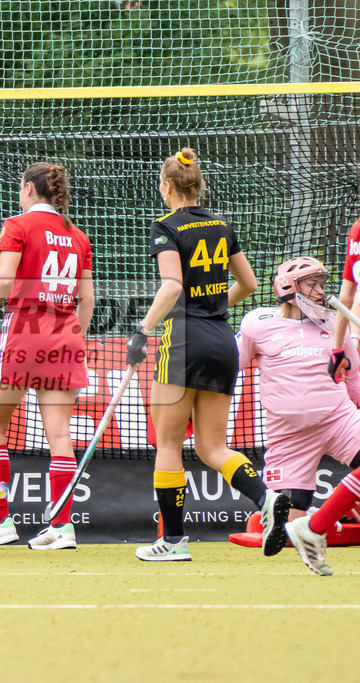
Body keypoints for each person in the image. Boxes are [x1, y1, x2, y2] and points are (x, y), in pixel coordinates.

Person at [126, 147, 284, 562]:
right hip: (221, 340)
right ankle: (266, 497)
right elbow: (249, 283)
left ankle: (174, 541)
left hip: (183, 341)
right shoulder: (222, 225)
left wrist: (143, 330)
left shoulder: (166, 226)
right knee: (213, 447)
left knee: (169, 442)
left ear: (167, 186)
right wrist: (213, 307)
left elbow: (172, 286)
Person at [0, 163, 95, 551]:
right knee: (60, 436)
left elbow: (4, 280)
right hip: (65, 337)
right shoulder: (78, 236)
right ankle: (62, 528)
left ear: (29, 189)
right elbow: (87, 299)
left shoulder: (17, 225)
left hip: (23, 332)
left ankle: (0, 521)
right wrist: (74, 338)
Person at [236, 258, 360, 554]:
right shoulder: (257, 323)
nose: (320, 292)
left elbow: (353, 376)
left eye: (322, 284)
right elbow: (229, 366)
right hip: (288, 436)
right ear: (287, 287)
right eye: (312, 284)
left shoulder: (335, 322)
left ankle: (341, 515)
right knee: (287, 527)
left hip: (339, 421)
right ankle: (324, 519)